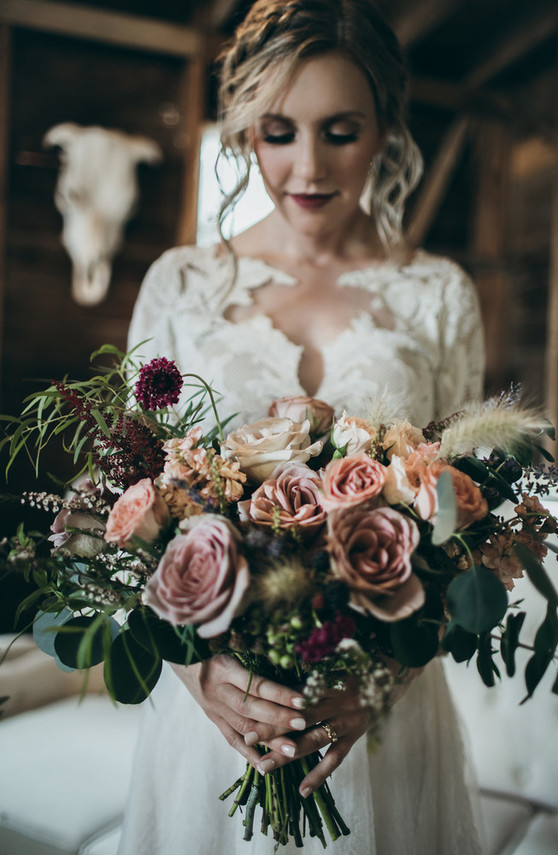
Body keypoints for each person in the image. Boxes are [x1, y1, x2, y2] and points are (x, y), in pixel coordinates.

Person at [119, 1, 486, 852]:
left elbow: (466, 518)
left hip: (380, 715)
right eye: (279, 132)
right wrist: (195, 668)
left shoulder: (439, 294)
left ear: (387, 130)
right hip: (220, 715)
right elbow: (133, 510)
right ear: (247, 132)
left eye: (341, 131)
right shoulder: (182, 284)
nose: (308, 166)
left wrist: (385, 676)